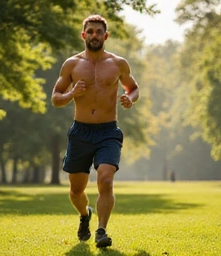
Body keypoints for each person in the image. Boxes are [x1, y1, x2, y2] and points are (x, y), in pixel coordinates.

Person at [51, 14, 139, 248]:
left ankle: (101, 231)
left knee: (105, 179)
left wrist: (130, 98)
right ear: (83, 35)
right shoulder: (72, 65)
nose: (94, 35)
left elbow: (133, 88)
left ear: (106, 36)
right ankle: (84, 215)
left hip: (108, 132)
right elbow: (55, 98)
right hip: (80, 133)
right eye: (90, 31)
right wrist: (71, 94)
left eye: (99, 32)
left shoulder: (118, 64)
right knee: (75, 192)